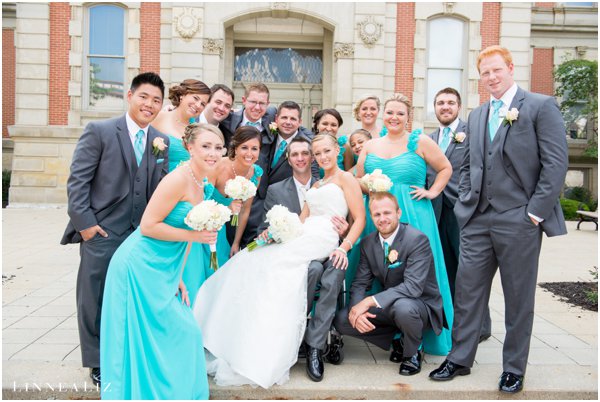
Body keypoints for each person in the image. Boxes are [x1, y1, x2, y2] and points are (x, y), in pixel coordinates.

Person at [429, 46, 569, 394]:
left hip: (520, 219)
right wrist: (465, 203)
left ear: (509, 68)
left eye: (496, 70)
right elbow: (467, 165)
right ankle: (460, 358)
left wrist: (534, 212)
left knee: (518, 297)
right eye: (485, 73)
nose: (491, 78)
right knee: (467, 291)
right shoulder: (476, 116)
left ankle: (513, 368)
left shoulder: (539, 106)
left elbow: (555, 165)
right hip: (477, 219)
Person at [193, 133, 365, 389]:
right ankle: (247, 335)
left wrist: (344, 246)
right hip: (305, 233)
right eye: (318, 153)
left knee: (275, 266)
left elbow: (359, 218)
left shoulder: (346, 178)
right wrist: (275, 232)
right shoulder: (317, 185)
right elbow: (301, 220)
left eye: (326, 151)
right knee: (254, 257)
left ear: (337, 151)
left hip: (325, 238)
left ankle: (289, 343)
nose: (322, 157)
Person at [60, 72, 168, 387]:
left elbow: (156, 189)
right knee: (93, 296)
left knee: (127, 297)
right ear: (130, 96)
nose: (150, 105)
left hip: (139, 235)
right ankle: (95, 361)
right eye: (145, 97)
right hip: (102, 231)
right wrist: (87, 226)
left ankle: (124, 352)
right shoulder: (100, 131)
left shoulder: (160, 141)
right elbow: (78, 181)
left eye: (156, 100)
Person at [100, 123, 223, 399]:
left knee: (185, 331)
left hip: (165, 267)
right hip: (138, 265)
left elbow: (188, 239)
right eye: (205, 146)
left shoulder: (201, 184)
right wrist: (194, 235)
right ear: (190, 148)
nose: (212, 153)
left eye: (217, 147)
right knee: (146, 334)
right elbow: (148, 226)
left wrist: (178, 276)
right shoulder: (177, 179)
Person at [355, 93, 454, 356]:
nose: (394, 117)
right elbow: (358, 180)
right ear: (382, 115)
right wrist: (371, 186)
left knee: (414, 274)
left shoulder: (419, 141)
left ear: (408, 117)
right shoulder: (371, 145)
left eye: (400, 113)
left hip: (414, 214)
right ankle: (390, 333)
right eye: (390, 112)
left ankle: (419, 335)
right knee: (383, 270)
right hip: (379, 216)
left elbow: (445, 168)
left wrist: (432, 192)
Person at [257, 136, 349, 382]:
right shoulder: (277, 190)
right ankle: (293, 334)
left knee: (332, 270)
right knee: (312, 270)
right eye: (294, 154)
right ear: (288, 159)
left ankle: (315, 346)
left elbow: (354, 217)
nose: (300, 158)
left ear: (312, 157)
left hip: (331, 248)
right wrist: (273, 233)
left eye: (305, 153)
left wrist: (345, 234)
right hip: (303, 247)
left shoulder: (335, 182)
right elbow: (283, 227)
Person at [334, 192, 446, 376]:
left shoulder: (417, 240)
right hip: (390, 305)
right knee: (343, 320)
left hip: (420, 305)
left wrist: (369, 301)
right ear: (372, 217)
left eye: (387, 213)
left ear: (398, 213)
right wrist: (356, 310)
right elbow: (360, 283)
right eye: (377, 214)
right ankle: (398, 339)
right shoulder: (368, 243)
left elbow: (413, 287)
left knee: (403, 308)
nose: (382, 219)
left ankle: (412, 352)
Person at [426, 87, 492, 342]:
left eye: (450, 103)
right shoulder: (428, 138)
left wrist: (469, 200)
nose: (445, 107)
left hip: (461, 210)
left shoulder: (472, 134)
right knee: (446, 268)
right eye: (440, 102)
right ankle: (453, 320)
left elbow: (478, 168)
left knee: (471, 270)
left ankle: (482, 326)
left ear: (459, 106)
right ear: (435, 107)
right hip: (434, 211)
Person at [243, 100, 317, 248]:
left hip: (286, 210)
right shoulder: (266, 137)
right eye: (284, 118)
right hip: (255, 206)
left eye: (293, 119)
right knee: (251, 248)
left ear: (300, 122)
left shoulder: (306, 146)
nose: (288, 122)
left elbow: (313, 179)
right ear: (276, 119)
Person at [212, 126, 262, 260]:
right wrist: (226, 207)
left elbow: (245, 210)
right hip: (207, 224)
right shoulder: (218, 166)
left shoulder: (255, 174)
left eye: (254, 149)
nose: (249, 153)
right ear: (235, 148)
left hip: (224, 230)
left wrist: (236, 243)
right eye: (244, 147)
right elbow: (201, 200)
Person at [151, 79, 211, 172]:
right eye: (195, 98)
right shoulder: (159, 117)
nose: (198, 105)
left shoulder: (198, 129)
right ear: (182, 95)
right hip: (164, 181)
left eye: (203, 104)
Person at [218, 82, 277, 148]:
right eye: (253, 102)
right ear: (244, 100)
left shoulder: (272, 116)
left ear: (267, 104)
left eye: (262, 103)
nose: (257, 107)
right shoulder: (227, 119)